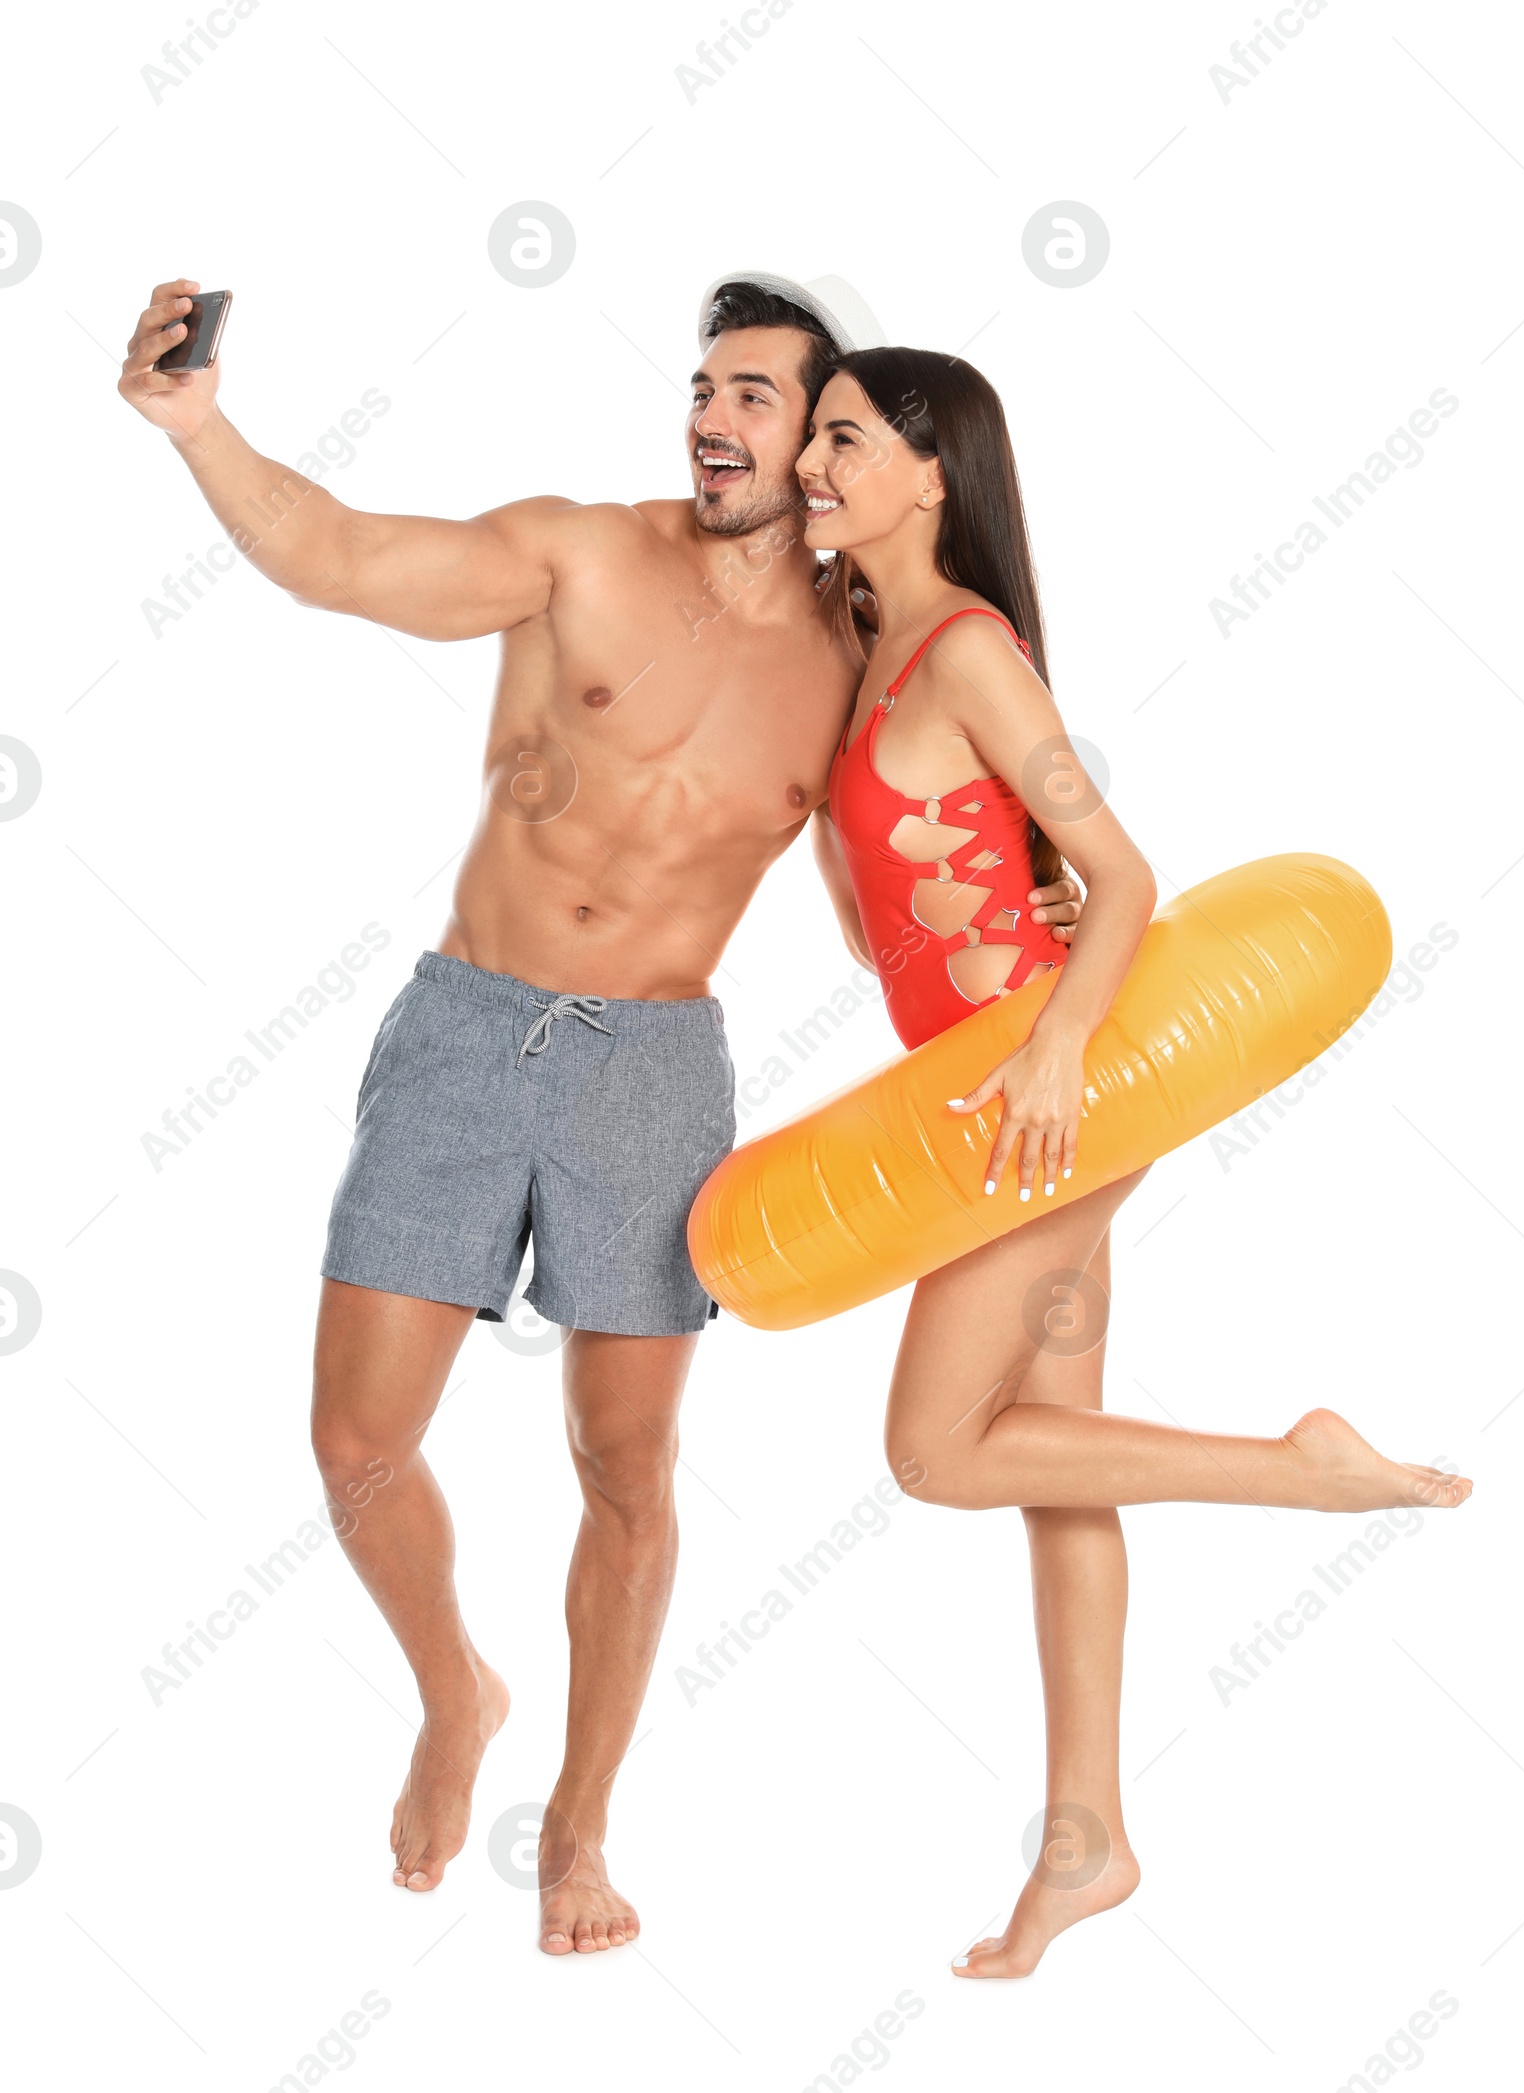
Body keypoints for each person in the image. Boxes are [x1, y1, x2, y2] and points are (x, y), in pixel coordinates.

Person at [115, 270, 1085, 1954]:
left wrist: (1039, 941)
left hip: (655, 1069)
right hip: (468, 1028)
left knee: (625, 1466)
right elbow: (339, 552)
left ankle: (579, 1830)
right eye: (702, 387)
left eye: (759, 398)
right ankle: (454, 1690)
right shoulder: (577, 552)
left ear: (827, 441)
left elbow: (886, 890)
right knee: (357, 1444)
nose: (712, 416)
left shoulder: (864, 661)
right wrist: (201, 426)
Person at [798, 349, 1474, 1980]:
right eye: (809, 434)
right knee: (1052, 1457)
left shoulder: (965, 652)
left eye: (841, 437)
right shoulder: (863, 646)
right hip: (970, 1095)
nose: (814, 461)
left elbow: (1119, 867)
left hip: (1045, 1099)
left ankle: (1301, 1467)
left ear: (929, 472)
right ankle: (1086, 1843)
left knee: (936, 1450)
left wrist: (1049, 1046)